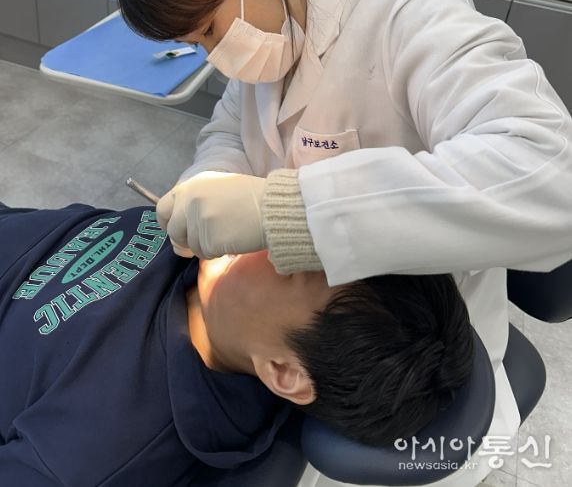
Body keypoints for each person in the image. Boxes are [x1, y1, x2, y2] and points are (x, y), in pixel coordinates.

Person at [113, 0, 572, 485]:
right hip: (311, 339)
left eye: (210, 29)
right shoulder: (271, 29)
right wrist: (212, 179)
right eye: (196, 45)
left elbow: (550, 177)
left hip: (409, 352)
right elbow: (230, 128)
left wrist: (288, 212)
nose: (216, 55)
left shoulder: (410, 13)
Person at [0, 202, 474, 486]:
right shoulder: (220, 284)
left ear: (283, 372)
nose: (268, 232)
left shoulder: (98, 444)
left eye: (292, 266)